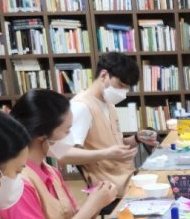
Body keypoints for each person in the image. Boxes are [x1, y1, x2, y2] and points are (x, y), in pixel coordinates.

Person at [0, 89, 117, 219]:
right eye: (67, 131)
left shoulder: (50, 171)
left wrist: (99, 201)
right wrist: (92, 205)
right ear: (42, 135)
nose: (71, 138)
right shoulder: (19, 183)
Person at [54, 52, 147, 201]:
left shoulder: (108, 103)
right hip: (109, 188)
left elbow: (111, 144)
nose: (123, 93)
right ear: (104, 75)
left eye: (126, 88)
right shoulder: (81, 107)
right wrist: (106, 154)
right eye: (121, 86)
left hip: (125, 177)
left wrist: (136, 138)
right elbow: (62, 154)